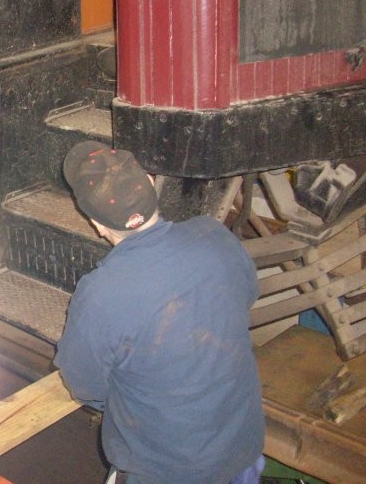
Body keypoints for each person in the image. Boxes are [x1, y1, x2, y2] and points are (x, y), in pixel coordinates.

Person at [54, 141, 265, 484]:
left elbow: (85, 385)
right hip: (243, 447)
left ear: (95, 223)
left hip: (168, 470)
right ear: (152, 183)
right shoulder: (214, 235)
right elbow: (246, 297)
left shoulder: (101, 293)